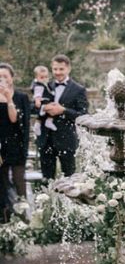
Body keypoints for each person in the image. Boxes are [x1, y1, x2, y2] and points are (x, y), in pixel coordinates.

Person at [35, 54, 88, 179]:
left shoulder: (78, 89)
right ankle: (46, 198)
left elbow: (83, 115)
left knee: (70, 178)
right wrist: (44, 108)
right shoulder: (45, 85)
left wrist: (63, 110)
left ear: (68, 69)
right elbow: (33, 106)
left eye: (61, 69)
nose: (58, 72)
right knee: (46, 179)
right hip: (46, 140)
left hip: (67, 140)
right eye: (55, 69)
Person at [0, 63, 30, 220]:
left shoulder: (20, 97)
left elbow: (15, 120)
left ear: (11, 78)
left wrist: (8, 98)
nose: (2, 79)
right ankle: (5, 218)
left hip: (16, 145)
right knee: (3, 183)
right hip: (0, 147)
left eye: (5, 76)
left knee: (19, 181)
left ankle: (23, 217)